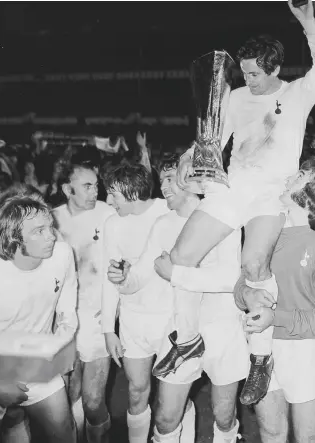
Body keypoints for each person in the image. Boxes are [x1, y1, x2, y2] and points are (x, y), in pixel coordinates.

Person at [160, 0, 315, 405]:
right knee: (181, 256)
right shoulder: (235, 97)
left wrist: (307, 21)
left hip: (270, 193)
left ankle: (261, 357)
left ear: (274, 68)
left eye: (255, 73)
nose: (248, 79)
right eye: (244, 72)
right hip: (232, 185)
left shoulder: (298, 93)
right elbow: (209, 142)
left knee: (254, 265)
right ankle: (187, 340)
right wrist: (190, 162)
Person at [107, 159, 248, 443]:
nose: (163, 186)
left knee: (223, 415)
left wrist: (177, 274)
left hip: (222, 330)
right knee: (166, 416)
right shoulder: (163, 224)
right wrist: (123, 279)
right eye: (161, 180)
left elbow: (229, 279)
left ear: (193, 180)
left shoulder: (224, 218)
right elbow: (142, 276)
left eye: (170, 178)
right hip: (180, 335)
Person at [234, 164, 315, 443]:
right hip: (261, 346)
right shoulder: (268, 232)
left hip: (303, 349)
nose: (287, 179)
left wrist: (277, 317)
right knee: (271, 432)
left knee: (307, 437)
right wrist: (247, 294)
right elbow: (240, 285)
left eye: (298, 177)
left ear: (311, 192)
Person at [0, 196, 78, 443]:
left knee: (64, 433)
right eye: (39, 231)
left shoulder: (62, 255)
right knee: (13, 416)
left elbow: (67, 303)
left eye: (50, 226)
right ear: (13, 238)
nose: (51, 235)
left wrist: (61, 343)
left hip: (37, 359)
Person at [100, 163, 170, 443]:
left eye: (113, 195)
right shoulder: (113, 223)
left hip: (170, 319)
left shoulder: (169, 211)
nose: (108, 201)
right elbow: (110, 276)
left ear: (131, 193)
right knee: (136, 389)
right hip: (132, 320)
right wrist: (108, 328)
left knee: (170, 397)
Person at [53, 163, 115, 443]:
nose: (95, 191)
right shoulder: (51, 221)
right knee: (67, 397)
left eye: (96, 185)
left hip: (98, 317)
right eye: (87, 186)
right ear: (68, 190)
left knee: (92, 401)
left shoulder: (109, 214)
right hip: (62, 320)